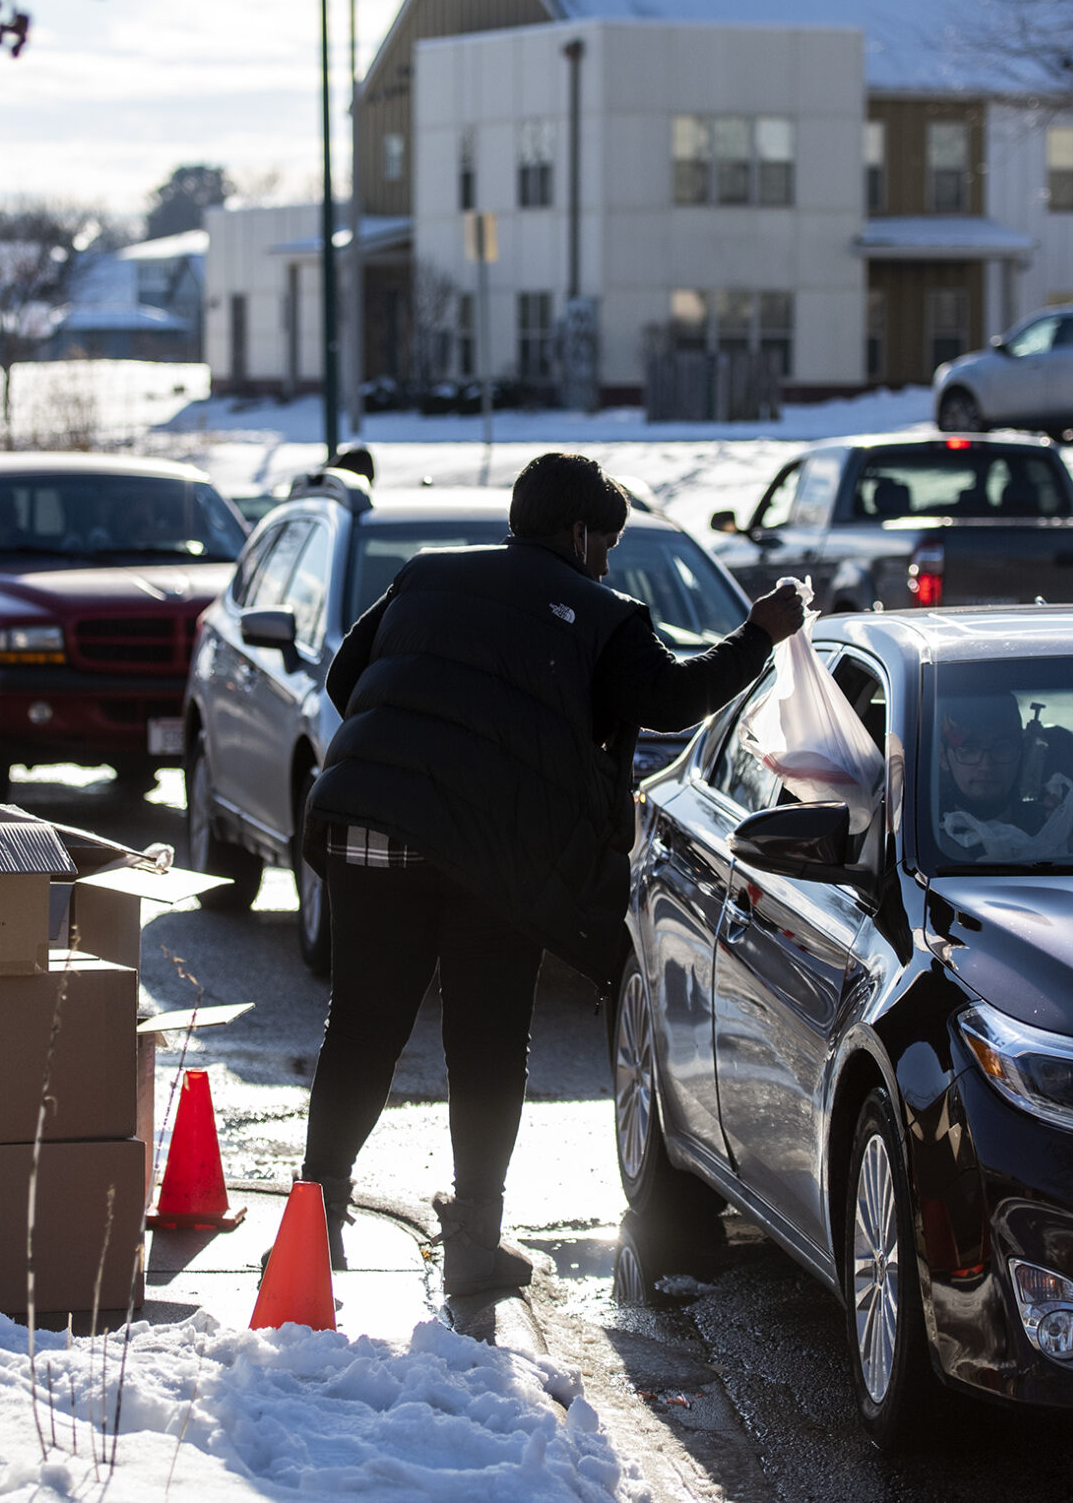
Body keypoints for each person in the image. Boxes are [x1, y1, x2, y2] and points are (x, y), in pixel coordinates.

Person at [297, 452, 807, 1292]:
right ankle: (473, 1242)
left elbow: (346, 677)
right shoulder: (604, 615)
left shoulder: (424, 577)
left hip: (366, 828)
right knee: (487, 1042)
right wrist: (759, 633)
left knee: (361, 1027)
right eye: (605, 542)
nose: (607, 561)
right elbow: (674, 700)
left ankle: (314, 1222)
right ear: (577, 533)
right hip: (496, 854)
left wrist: (422, 756)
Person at [935, 692, 1073, 858]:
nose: (986, 765)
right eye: (969, 749)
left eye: (1002, 748)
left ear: (1022, 754)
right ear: (943, 756)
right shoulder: (920, 832)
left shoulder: (1051, 826)